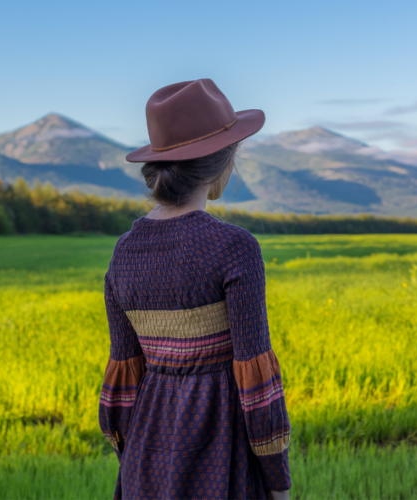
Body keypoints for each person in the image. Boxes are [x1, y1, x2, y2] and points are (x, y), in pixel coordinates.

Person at [98, 79, 291, 500]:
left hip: (146, 458)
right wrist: (277, 480)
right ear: (222, 164)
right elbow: (256, 382)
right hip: (222, 454)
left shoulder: (123, 253)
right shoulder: (235, 247)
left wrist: (133, 461)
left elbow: (123, 381)